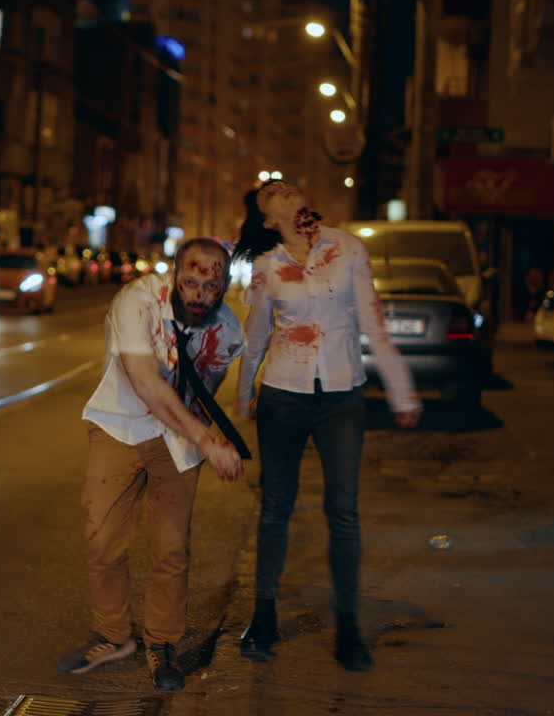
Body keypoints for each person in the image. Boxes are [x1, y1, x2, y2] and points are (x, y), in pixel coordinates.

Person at [233, 180, 422, 671]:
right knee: (276, 507)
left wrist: (401, 391)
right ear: (267, 217)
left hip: (341, 395)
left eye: (291, 186)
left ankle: (348, 626)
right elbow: (255, 338)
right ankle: (264, 614)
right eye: (274, 193)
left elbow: (373, 324)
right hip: (282, 395)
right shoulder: (266, 265)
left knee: (344, 510)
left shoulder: (348, 248)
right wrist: (243, 397)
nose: (288, 191)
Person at [57, 238, 246, 691]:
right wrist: (207, 440)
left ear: (224, 284)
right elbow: (143, 381)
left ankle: (163, 643)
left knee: (171, 549)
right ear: (174, 274)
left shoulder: (228, 330)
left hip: (176, 441)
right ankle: (112, 635)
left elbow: (205, 388)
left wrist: (197, 436)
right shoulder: (136, 303)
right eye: (191, 282)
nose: (201, 295)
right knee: (102, 539)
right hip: (118, 425)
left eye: (212, 286)